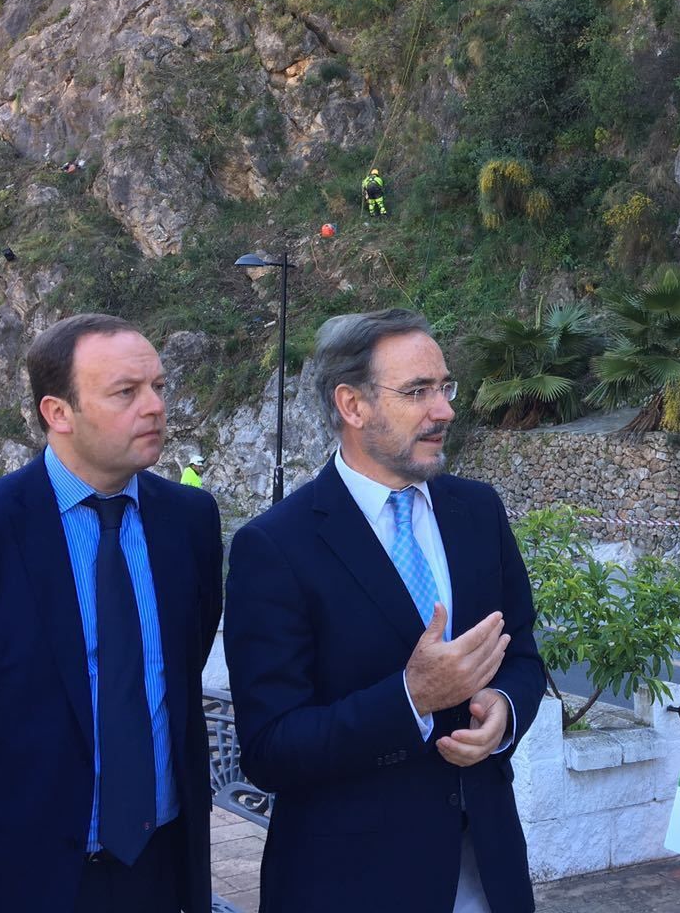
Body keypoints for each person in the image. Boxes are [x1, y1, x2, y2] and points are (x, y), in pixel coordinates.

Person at [0, 314, 224, 913]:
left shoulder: (191, 520)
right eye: (126, 392)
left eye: (159, 386)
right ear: (58, 412)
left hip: (162, 865)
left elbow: (181, 663)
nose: (154, 407)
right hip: (24, 876)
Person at [225, 308, 542, 913]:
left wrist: (503, 710)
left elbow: (522, 653)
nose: (444, 410)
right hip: (350, 884)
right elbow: (269, 748)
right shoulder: (276, 547)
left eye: (445, 387)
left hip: (490, 875)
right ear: (353, 405)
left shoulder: (476, 511)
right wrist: (409, 697)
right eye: (417, 391)